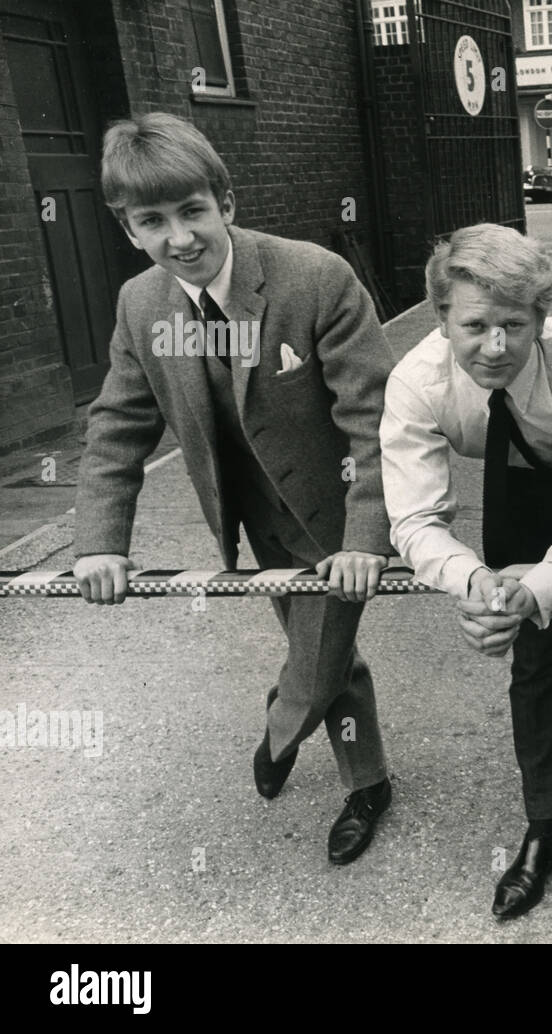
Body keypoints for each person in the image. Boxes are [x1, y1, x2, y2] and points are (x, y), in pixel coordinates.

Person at [73, 113, 395, 864]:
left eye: (192, 211)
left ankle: (283, 727)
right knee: (328, 657)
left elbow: (373, 421)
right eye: (153, 221)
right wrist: (99, 543)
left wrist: (365, 539)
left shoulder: (314, 277)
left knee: (314, 667)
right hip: (254, 517)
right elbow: (117, 428)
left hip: (337, 510)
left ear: (227, 202)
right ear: (129, 230)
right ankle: (368, 779)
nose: (179, 238)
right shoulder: (143, 306)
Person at [380, 222, 552, 920]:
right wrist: (483, 586)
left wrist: (549, 579)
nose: (494, 347)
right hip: (515, 484)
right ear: (441, 317)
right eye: (474, 326)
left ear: (541, 317)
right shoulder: (415, 379)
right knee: (533, 655)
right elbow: (412, 518)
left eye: (513, 326)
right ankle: (551, 817)